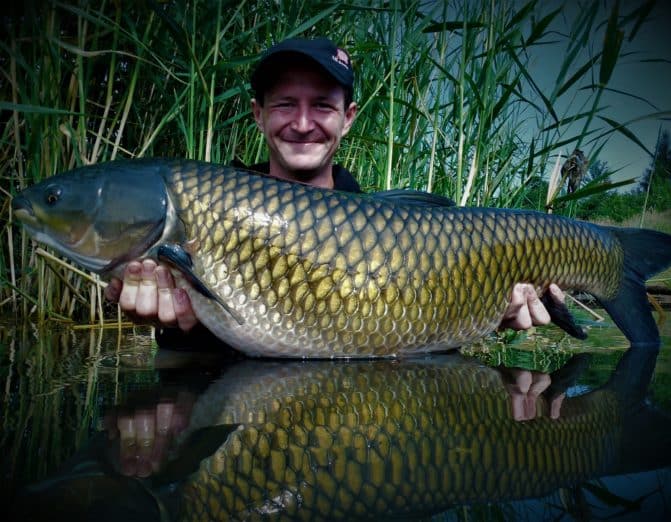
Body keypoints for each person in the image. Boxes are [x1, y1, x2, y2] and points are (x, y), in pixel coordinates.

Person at [105, 37, 565, 345]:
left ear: (347, 118)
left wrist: (489, 309)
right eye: (285, 104)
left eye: (322, 106)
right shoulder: (205, 208)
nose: (302, 124)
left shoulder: (397, 229)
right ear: (257, 114)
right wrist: (175, 324)